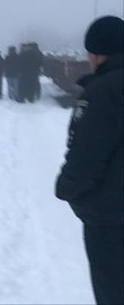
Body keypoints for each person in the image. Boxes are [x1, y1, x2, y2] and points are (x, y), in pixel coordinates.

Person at [55, 16, 123, 305]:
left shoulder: (103, 91)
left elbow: (87, 156)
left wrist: (65, 188)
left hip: (112, 220)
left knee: (113, 291)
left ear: (97, 53)